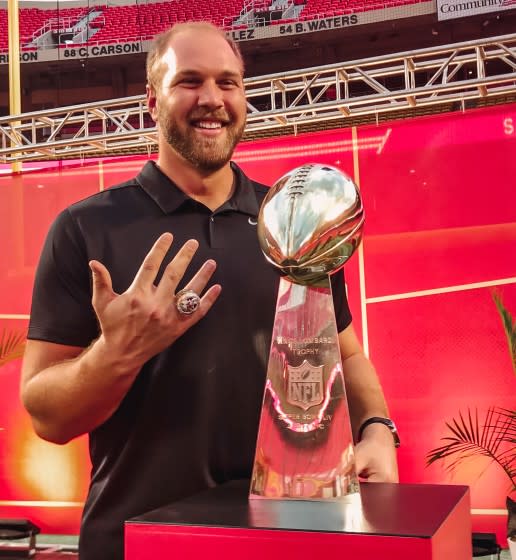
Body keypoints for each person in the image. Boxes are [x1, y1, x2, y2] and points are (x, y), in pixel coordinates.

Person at [20, 21, 399, 560]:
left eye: (228, 82)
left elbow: (348, 352)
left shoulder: (293, 221)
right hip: (135, 543)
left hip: (283, 539)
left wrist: (378, 430)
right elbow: (46, 416)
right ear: (152, 98)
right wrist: (117, 354)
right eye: (190, 81)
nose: (212, 99)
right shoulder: (87, 228)